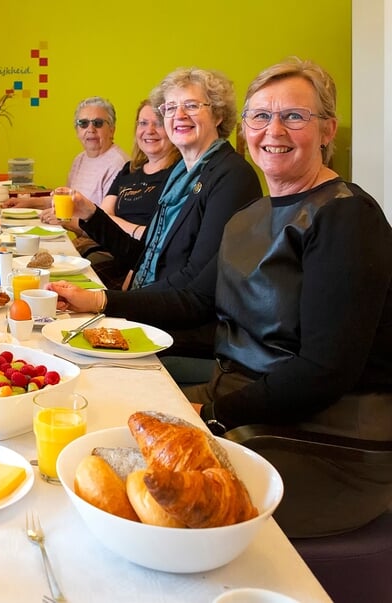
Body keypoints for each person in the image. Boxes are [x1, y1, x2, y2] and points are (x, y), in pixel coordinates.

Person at [51, 58, 392, 536]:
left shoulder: (346, 218)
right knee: (97, 419)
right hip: (239, 401)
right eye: (261, 116)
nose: (273, 129)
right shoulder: (250, 216)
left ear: (327, 129)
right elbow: (193, 299)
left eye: (294, 116)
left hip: (324, 437)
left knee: (147, 503)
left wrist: (211, 414)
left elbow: (324, 372)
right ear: (245, 126)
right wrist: (102, 304)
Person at [51, 69, 262, 294]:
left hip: (180, 320)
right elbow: (142, 254)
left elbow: (196, 286)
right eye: (170, 107)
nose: (178, 115)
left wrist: (107, 302)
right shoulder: (180, 175)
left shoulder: (231, 176)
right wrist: (91, 213)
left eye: (191, 105)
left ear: (218, 115)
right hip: (153, 300)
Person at [79, 99, 182, 289]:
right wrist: (132, 228)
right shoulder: (129, 170)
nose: (149, 130)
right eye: (143, 123)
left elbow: (157, 236)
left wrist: (109, 221)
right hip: (109, 248)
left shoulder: (179, 174)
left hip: (139, 262)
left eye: (158, 123)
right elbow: (104, 215)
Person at [9, 96, 129, 210]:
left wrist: (64, 221)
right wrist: (28, 203)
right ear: (77, 131)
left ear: (112, 130)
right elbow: (65, 201)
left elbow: (106, 224)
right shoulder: (79, 160)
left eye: (98, 123)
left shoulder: (119, 165)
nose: (90, 129)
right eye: (83, 124)